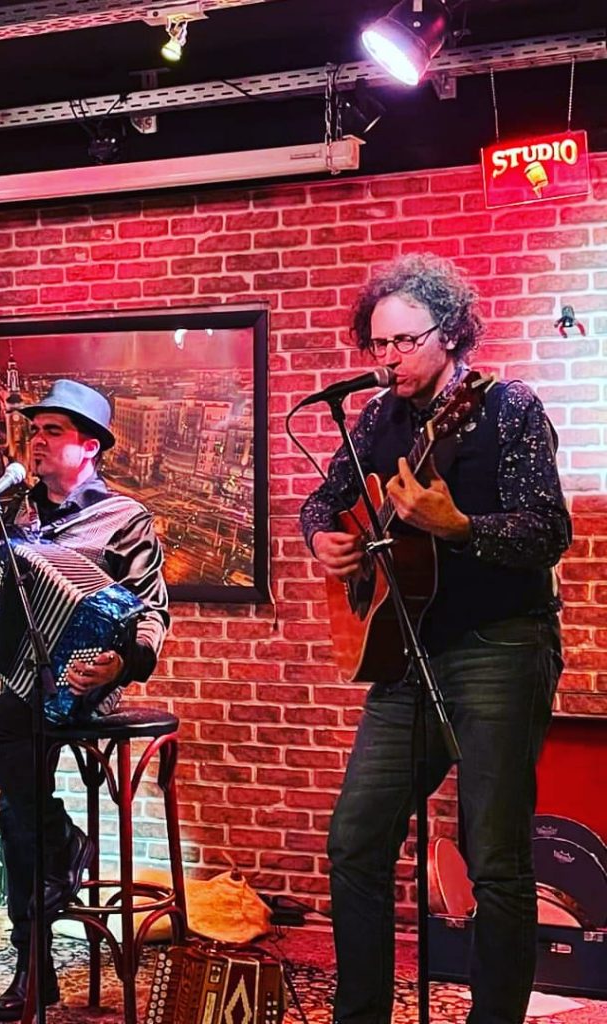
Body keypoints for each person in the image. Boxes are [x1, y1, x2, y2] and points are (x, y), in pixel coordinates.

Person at [299, 254, 571, 1024]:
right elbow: (321, 502)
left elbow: (548, 531)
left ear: (449, 333)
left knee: (495, 858)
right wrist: (326, 540)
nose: (388, 360)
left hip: (500, 646)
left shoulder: (507, 408)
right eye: (377, 345)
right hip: (407, 656)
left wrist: (460, 527)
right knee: (355, 840)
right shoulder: (378, 419)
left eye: (403, 342)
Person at [0, 379, 169, 1022]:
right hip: (25, 683)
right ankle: (55, 866)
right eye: (35, 430)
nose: (38, 440)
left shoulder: (123, 518)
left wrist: (121, 662)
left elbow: (152, 611)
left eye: (53, 431)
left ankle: (34, 961)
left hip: (88, 684)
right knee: (16, 803)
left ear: (90, 447)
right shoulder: (17, 515)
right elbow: (4, 589)